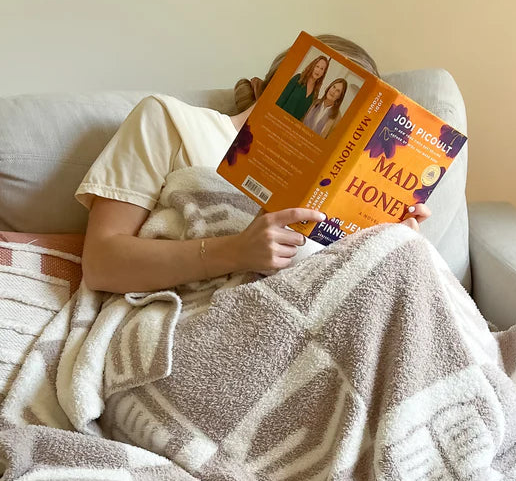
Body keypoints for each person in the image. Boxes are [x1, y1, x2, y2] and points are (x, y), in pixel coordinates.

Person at [77, 35, 430, 295]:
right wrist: (236, 252)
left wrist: (396, 245)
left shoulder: (337, 190)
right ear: (266, 88)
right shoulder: (169, 118)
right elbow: (100, 264)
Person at [275, 55, 329, 121]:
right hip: (278, 120)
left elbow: (304, 116)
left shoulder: (315, 93)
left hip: (290, 128)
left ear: (323, 73)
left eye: (322, 69)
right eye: (317, 66)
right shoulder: (298, 78)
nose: (318, 70)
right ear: (313, 66)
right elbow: (281, 99)